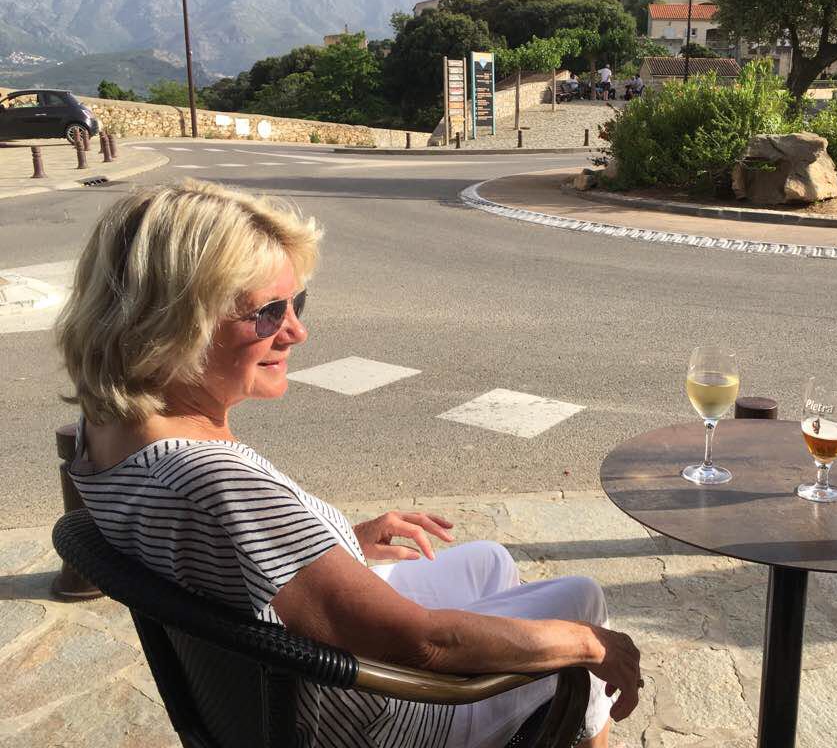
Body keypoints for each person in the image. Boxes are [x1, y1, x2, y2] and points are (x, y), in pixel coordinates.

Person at [56, 180, 641, 748]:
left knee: (489, 562)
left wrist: (335, 542)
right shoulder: (213, 481)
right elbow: (426, 644)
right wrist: (590, 645)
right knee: (579, 603)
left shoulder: (104, 432)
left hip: (285, 675)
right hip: (377, 718)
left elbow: (221, 558)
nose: (297, 331)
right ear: (173, 322)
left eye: (296, 303)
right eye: (268, 313)